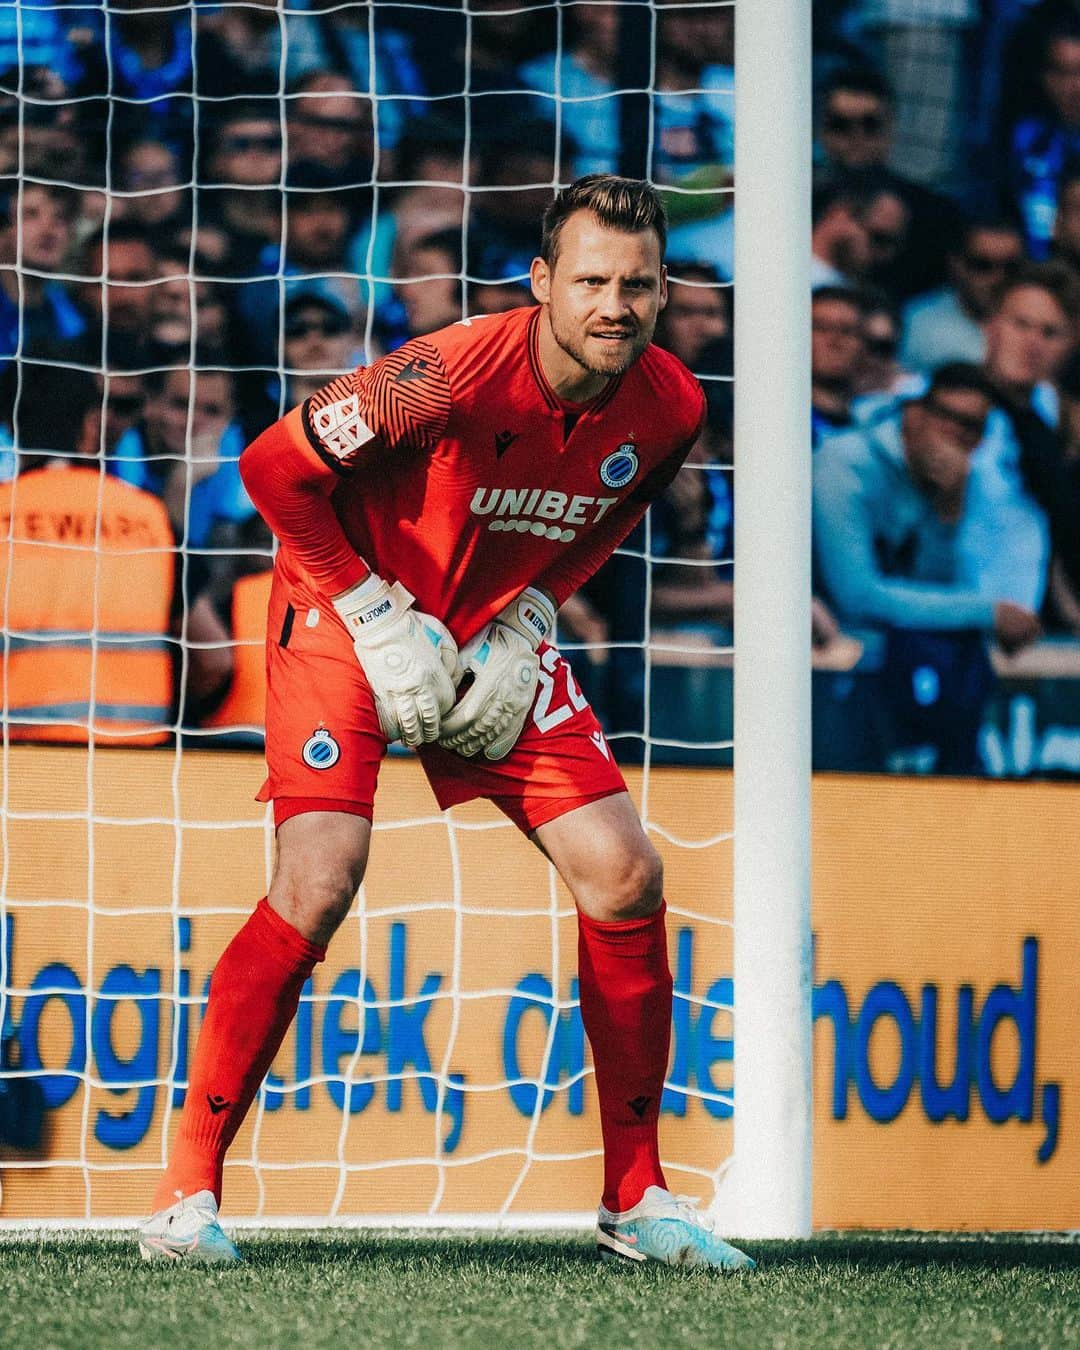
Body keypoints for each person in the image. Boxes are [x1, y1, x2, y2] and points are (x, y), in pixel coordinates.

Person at [138, 174, 755, 1273]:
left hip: (486, 642)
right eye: (592, 282)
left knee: (625, 875)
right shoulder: (447, 370)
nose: (615, 306)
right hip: (343, 607)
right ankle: (184, 1197)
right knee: (320, 876)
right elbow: (271, 471)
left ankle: (636, 1197)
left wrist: (532, 611)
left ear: (664, 293)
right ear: (542, 283)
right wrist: (372, 611)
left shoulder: (672, 405)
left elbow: (604, 517)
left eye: (639, 285)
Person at [813, 362, 1041, 773]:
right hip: (821, 666)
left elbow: (929, 588)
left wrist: (947, 513)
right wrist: (987, 612)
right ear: (914, 413)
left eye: (973, 428)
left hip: (889, 667)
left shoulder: (956, 479)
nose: (958, 437)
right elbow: (856, 595)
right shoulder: (844, 463)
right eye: (949, 418)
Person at [900, 218, 1025, 369]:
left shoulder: (1038, 325)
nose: (998, 278)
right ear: (956, 265)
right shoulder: (918, 324)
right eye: (983, 265)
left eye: (1011, 268)